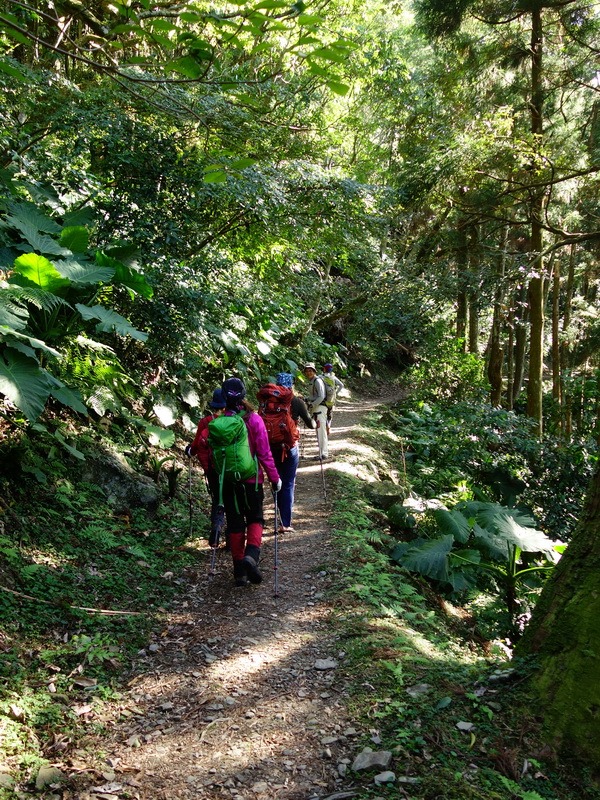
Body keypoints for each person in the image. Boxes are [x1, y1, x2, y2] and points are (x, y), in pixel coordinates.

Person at [215, 377, 281, 587]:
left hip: (228, 483)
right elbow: (264, 452)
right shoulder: (253, 420)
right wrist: (274, 477)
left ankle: (239, 574)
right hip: (252, 481)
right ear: (244, 396)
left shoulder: (219, 423)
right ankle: (251, 557)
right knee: (255, 519)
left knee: (235, 523)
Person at [266, 372, 314, 533]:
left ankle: (278, 515)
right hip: (289, 446)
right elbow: (311, 424)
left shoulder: (267, 402)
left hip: (271, 446)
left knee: (275, 480)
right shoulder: (296, 401)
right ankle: (285, 522)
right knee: (288, 483)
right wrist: (316, 422)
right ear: (291, 385)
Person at [185, 388, 227, 546]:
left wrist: (189, 450)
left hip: (211, 468)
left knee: (217, 498)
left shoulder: (205, 421)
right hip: (230, 467)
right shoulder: (233, 420)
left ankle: (215, 530)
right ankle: (231, 538)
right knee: (230, 498)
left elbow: (195, 445)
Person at [302, 362, 329, 460]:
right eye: (307, 371)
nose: (308, 373)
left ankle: (324, 453)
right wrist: (306, 399)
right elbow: (315, 396)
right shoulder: (312, 381)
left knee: (321, 431)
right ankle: (321, 453)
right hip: (316, 408)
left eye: (310, 371)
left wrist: (312, 404)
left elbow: (321, 396)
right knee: (319, 431)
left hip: (320, 408)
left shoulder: (317, 381)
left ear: (314, 371)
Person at [322, 363, 345, 437]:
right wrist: (336, 393)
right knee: (329, 414)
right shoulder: (333, 378)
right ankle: (329, 425)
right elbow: (341, 385)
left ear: (324, 369)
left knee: (324, 414)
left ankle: (325, 425)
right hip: (331, 399)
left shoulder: (320, 377)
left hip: (323, 399)